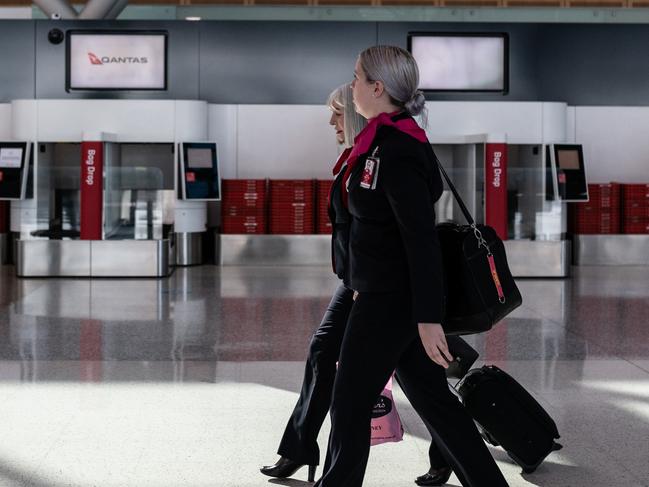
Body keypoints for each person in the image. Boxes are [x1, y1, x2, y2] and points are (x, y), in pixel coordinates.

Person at [314, 46, 510, 487]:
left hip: (393, 301)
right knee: (432, 399)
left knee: (348, 402)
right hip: (384, 292)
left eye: (357, 77)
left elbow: (419, 240)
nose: (353, 86)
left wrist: (427, 318)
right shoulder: (382, 141)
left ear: (377, 88)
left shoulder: (398, 148)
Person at [260, 83, 458, 486]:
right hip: (359, 281)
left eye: (337, 113)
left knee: (418, 379)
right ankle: (299, 448)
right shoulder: (358, 156)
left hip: (385, 287)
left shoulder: (389, 153)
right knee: (323, 353)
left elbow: (413, 235)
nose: (331, 120)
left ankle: (449, 453)